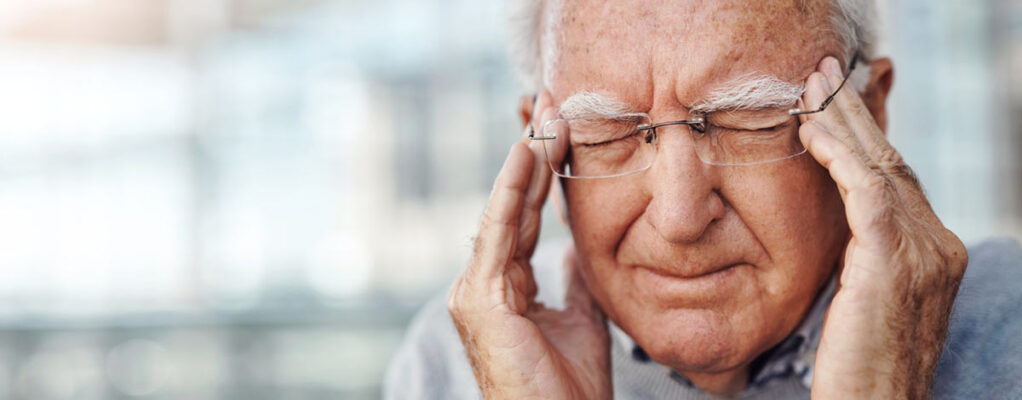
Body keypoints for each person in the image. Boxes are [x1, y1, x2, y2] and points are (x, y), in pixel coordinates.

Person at [384, 0, 1022, 398]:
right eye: (608, 132)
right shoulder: (460, 363)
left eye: (747, 119)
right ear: (545, 154)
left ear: (871, 116)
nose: (680, 216)